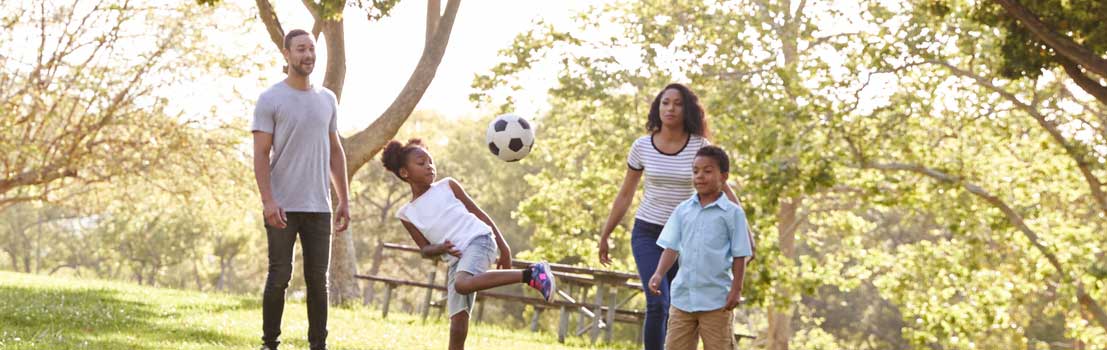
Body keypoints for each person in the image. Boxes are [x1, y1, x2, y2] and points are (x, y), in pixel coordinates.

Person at [597, 83, 752, 350]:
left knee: (687, 303)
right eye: (665, 102)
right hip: (649, 233)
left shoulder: (699, 146)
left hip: (690, 236)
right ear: (658, 108)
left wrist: (746, 234)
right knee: (657, 302)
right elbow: (625, 194)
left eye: (678, 103)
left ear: (687, 109)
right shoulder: (642, 146)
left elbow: (724, 189)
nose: (670, 108)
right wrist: (606, 233)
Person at [382, 138, 556, 350]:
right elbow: (425, 250)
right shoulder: (407, 214)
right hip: (456, 260)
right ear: (404, 173)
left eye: (430, 161)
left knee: (462, 284)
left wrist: (504, 246)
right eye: (421, 163)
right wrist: (440, 248)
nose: (429, 166)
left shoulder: (448, 186)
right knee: (457, 323)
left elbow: (479, 213)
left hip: (479, 239)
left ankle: (531, 274)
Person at [252, 29, 350, 350]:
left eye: (311, 49)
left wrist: (344, 200)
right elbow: (260, 154)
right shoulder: (271, 99)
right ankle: (270, 343)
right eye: (300, 49)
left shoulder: (327, 99)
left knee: (318, 283)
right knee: (279, 276)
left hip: (319, 207)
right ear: (286, 54)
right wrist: (268, 200)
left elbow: (335, 151)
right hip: (281, 205)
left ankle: (318, 345)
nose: (307, 55)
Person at [648, 145, 752, 350]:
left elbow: (740, 255)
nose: (700, 176)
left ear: (723, 176)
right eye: (695, 171)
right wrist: (659, 274)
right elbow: (671, 247)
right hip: (682, 298)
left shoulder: (733, 214)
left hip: (716, 301)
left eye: (707, 171)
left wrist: (736, 289)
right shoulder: (683, 210)